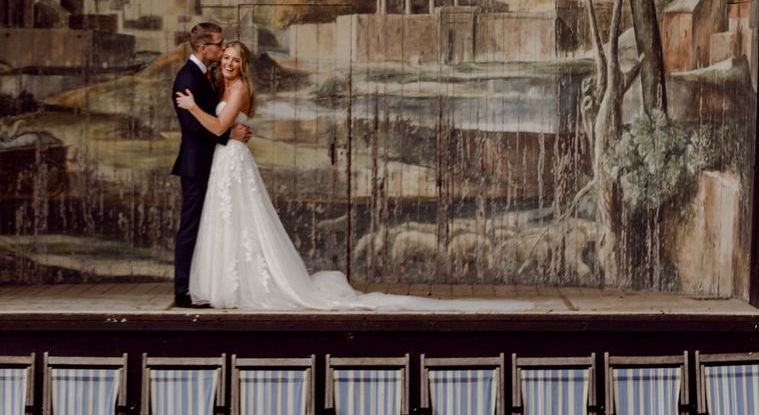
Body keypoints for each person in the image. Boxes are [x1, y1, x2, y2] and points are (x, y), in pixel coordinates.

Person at [176, 40, 533, 312]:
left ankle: (248, 283)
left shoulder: (238, 89)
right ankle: (225, 282)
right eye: (225, 59)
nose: (228, 63)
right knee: (226, 222)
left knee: (241, 221)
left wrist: (195, 109)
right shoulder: (217, 84)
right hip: (223, 160)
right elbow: (221, 126)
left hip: (233, 161)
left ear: (243, 67)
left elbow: (221, 124)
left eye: (235, 60)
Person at [170, 23, 251, 308]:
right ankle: (183, 292)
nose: (223, 47)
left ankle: (206, 284)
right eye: (220, 43)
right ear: (205, 48)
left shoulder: (209, 75)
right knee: (191, 227)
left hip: (215, 165)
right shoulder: (186, 78)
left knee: (212, 226)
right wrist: (229, 134)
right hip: (196, 166)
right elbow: (191, 127)